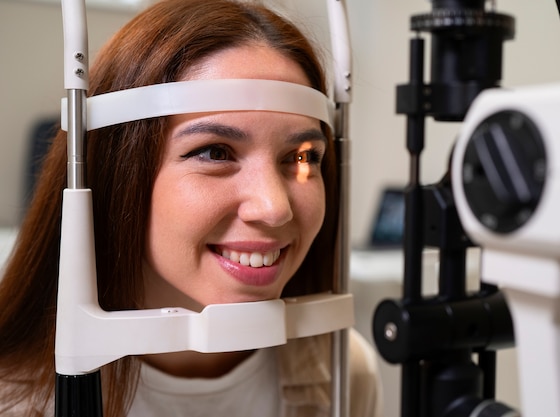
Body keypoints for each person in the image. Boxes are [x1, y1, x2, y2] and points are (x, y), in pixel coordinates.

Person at [0, 0, 382, 416]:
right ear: (115, 174)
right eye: (216, 152)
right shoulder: (13, 396)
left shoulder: (342, 372)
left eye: (303, 157)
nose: (274, 208)